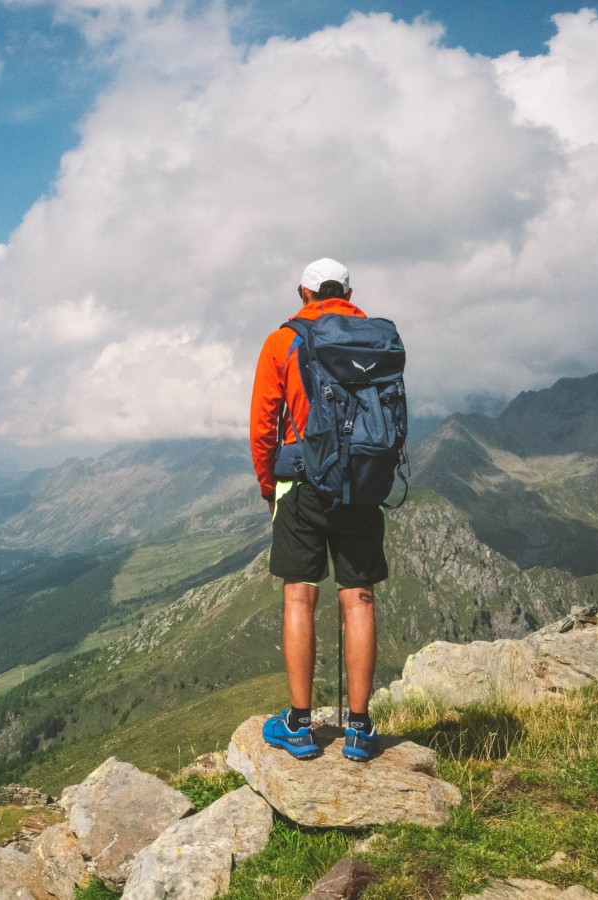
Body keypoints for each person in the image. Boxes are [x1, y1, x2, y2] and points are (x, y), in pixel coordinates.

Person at [248, 258, 386, 762]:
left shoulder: (282, 341)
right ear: (348, 291)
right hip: (361, 482)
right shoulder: (375, 339)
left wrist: (269, 485)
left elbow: (263, 425)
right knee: (360, 598)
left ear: (303, 293)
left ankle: (300, 726)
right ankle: (360, 728)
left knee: (300, 598)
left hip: (303, 482)